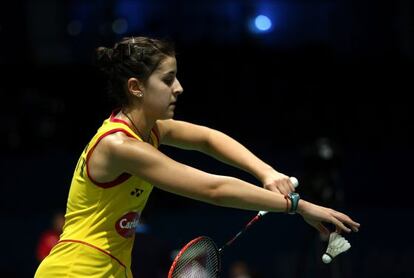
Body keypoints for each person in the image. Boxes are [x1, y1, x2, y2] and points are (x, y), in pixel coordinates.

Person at [34, 36, 360, 277]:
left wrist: (267, 172)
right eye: (167, 79)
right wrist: (298, 206)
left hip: (111, 270)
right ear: (136, 87)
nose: (178, 88)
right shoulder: (120, 146)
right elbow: (211, 190)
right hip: (75, 270)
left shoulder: (152, 130)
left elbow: (207, 138)